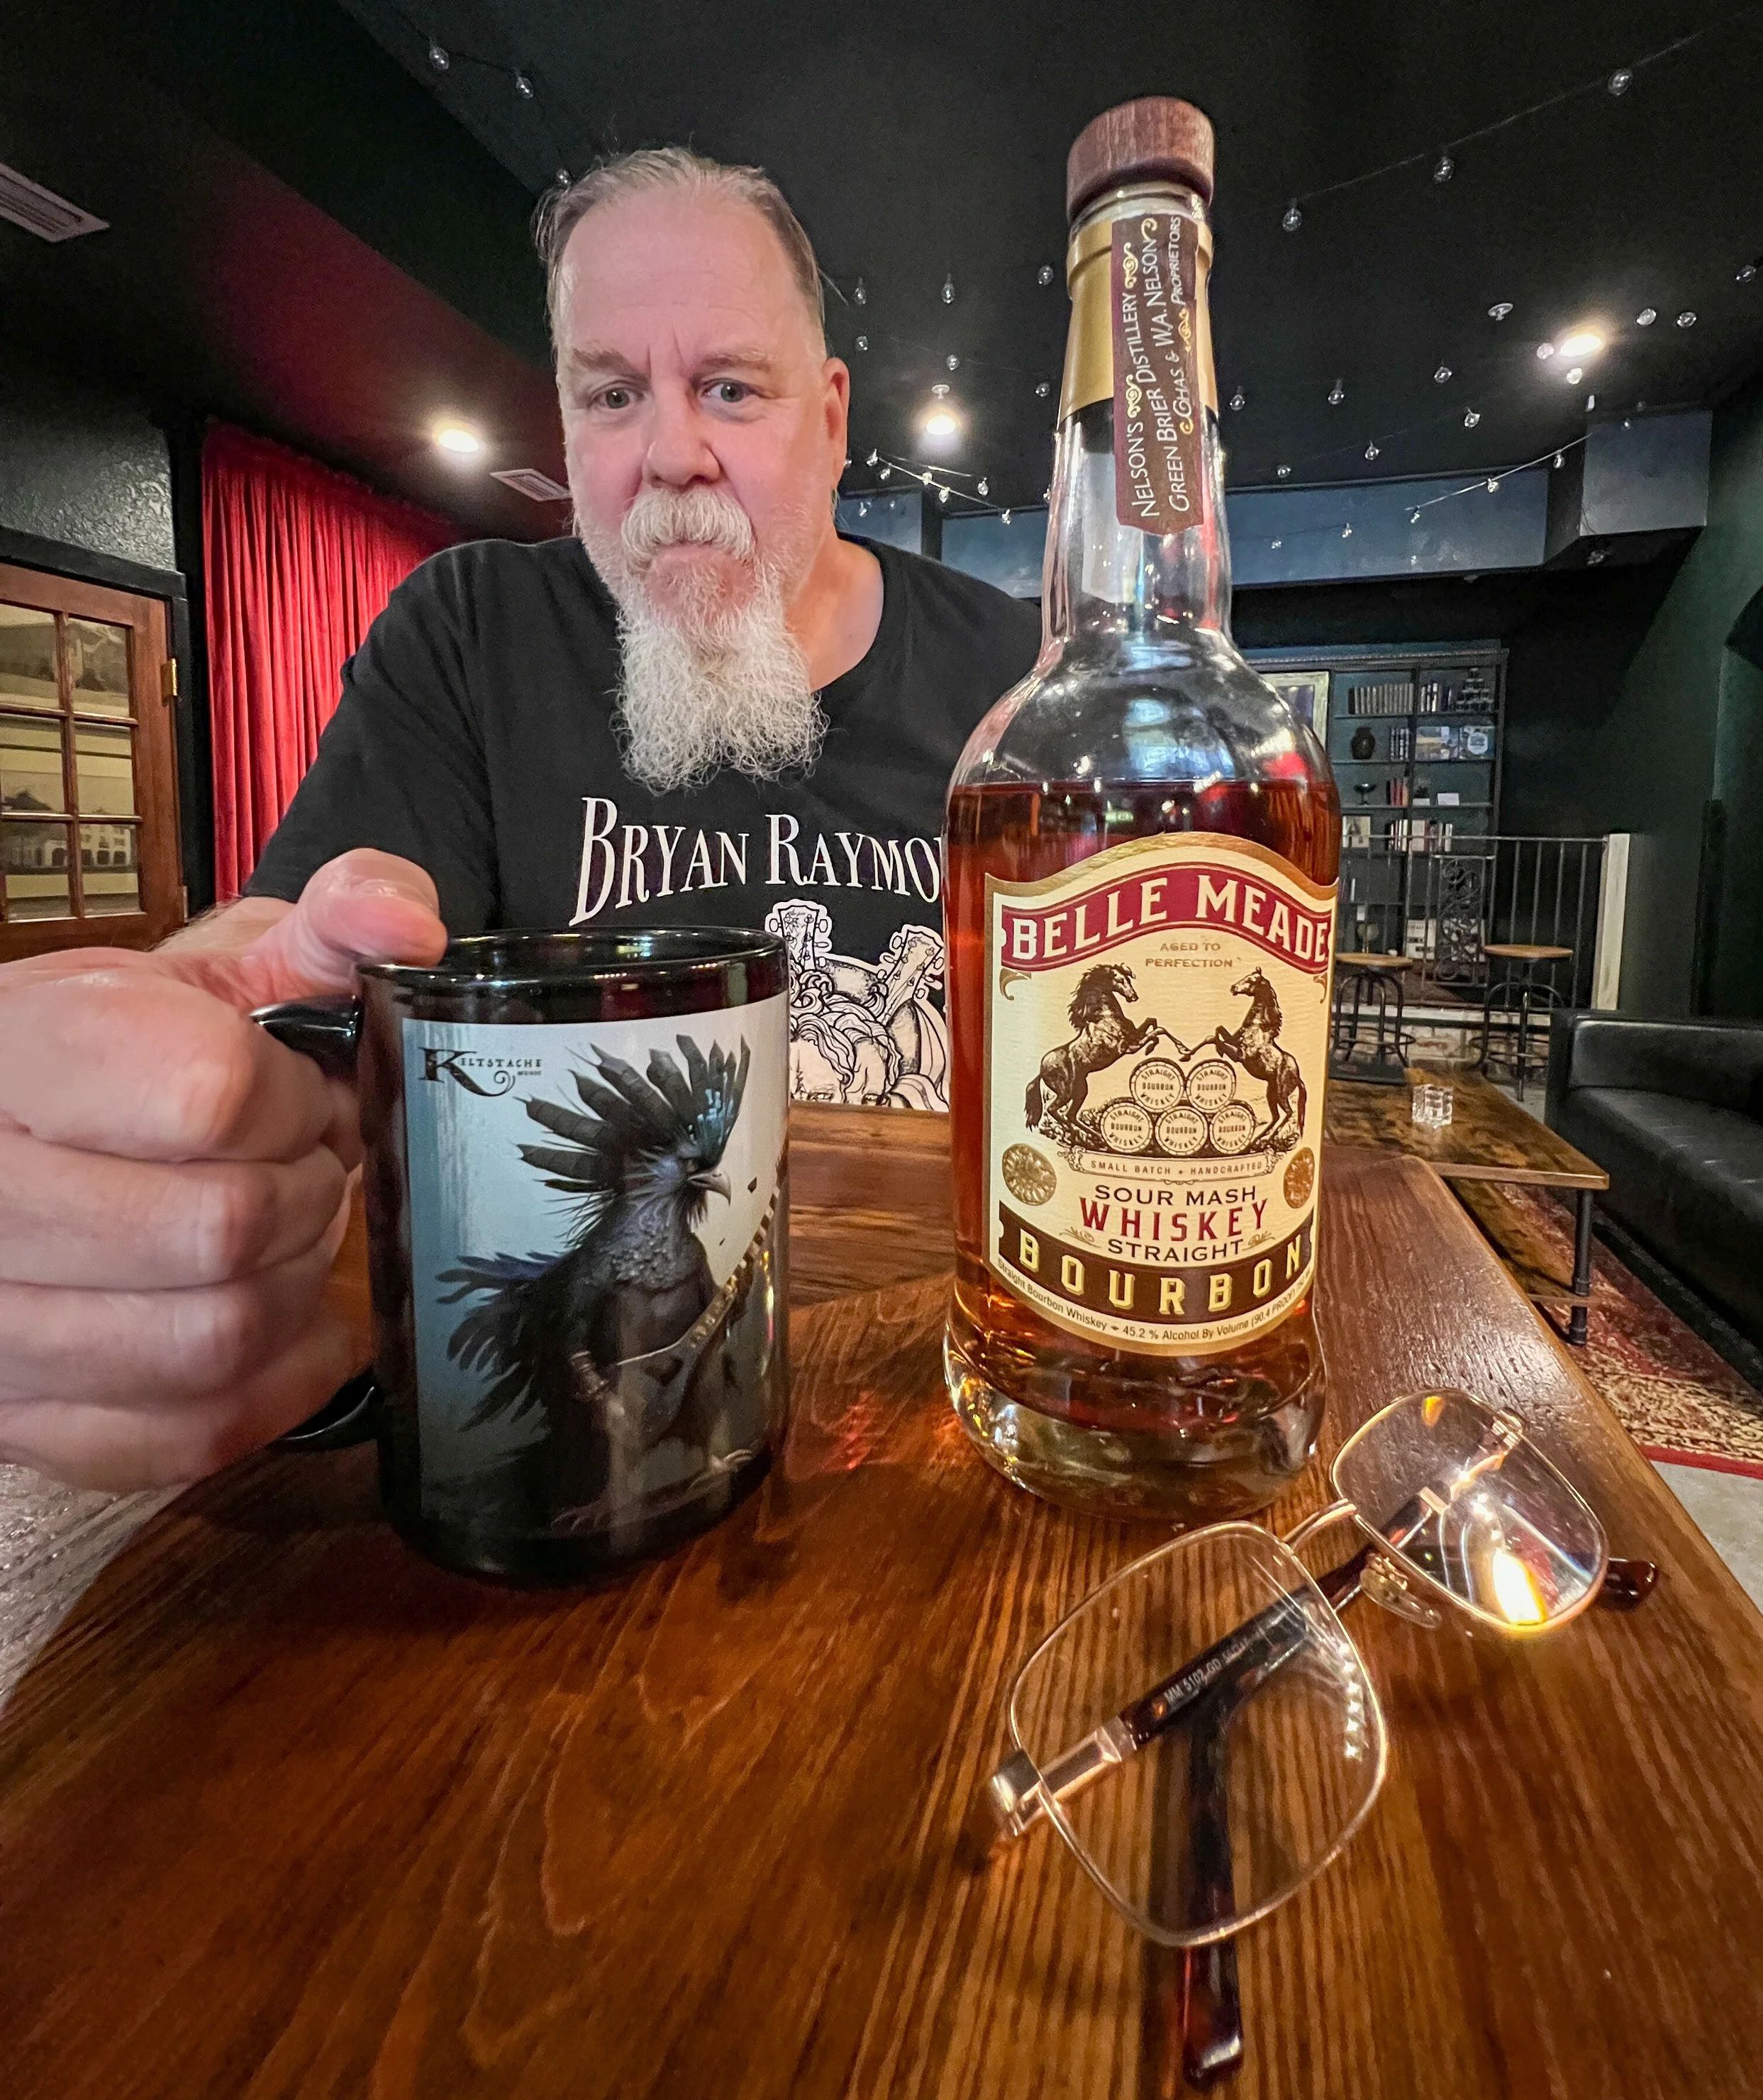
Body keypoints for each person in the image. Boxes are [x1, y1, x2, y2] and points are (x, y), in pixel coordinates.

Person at [0, 148, 1040, 1490]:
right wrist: (184, 1069)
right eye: (613, 395)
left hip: (953, 1393)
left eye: (729, 387)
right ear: (565, 423)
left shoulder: (1017, 675)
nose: (671, 453)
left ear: (832, 419)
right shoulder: (470, 629)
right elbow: (301, 933)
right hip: (594, 1430)